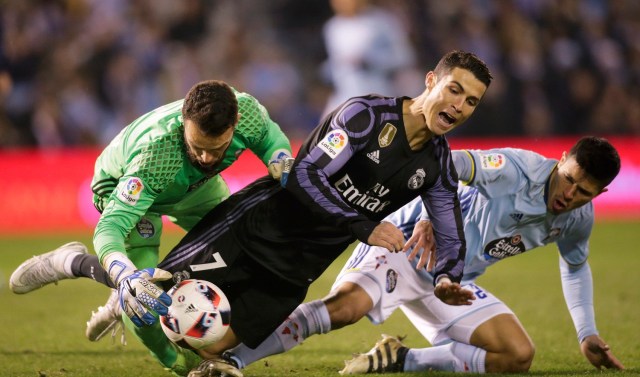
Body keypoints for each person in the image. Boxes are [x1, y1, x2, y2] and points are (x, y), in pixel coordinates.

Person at [11, 50, 492, 377]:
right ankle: (82, 266)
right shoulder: (365, 117)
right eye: (455, 90)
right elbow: (302, 178)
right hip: (192, 209)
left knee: (211, 340)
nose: (460, 105)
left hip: (274, 246)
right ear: (431, 81)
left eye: (471, 100)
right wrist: (361, 225)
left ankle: (139, 296)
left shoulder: (437, 166)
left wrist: (449, 275)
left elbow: (448, 230)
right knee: (154, 298)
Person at [221, 136, 624, 374]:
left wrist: (586, 332)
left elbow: (575, 266)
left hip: (450, 280)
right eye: (568, 179)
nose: (569, 195)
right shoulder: (515, 168)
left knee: (516, 357)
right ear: (562, 161)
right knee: (345, 308)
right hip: (403, 242)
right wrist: (435, 212)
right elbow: (443, 163)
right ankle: (233, 360)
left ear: (598, 195)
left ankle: (399, 359)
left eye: (583, 192)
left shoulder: (576, 220)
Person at [10, 79, 292, 375]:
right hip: (122, 185)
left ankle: (110, 287)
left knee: (241, 252)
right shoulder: (155, 155)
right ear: (184, 122)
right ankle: (71, 263)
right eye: (198, 147)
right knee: (140, 298)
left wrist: (282, 162)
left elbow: (271, 139)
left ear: (234, 124)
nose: (207, 158)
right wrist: (126, 275)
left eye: (217, 148)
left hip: (196, 188)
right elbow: (110, 229)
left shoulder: (246, 112)